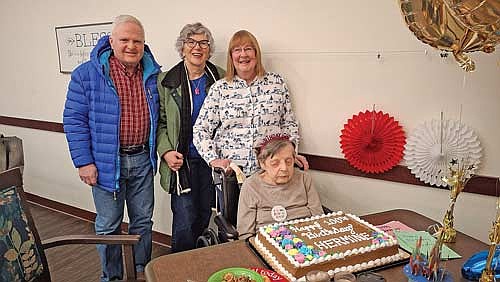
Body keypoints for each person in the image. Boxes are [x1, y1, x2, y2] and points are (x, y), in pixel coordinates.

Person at [63, 15, 160, 281]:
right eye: (125, 40)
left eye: (137, 40)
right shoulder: (87, 74)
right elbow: (74, 120)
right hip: (107, 163)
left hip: (142, 160)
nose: (131, 46)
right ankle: (113, 277)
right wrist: (84, 162)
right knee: (108, 226)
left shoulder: (153, 74)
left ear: (144, 43)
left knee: (143, 222)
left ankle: (140, 272)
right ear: (111, 41)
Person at [193, 30, 309, 177]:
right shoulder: (220, 89)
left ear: (256, 53)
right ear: (231, 56)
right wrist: (213, 159)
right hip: (232, 174)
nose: (243, 54)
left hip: (270, 174)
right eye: (237, 50)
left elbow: (289, 124)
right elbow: (200, 129)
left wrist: (290, 153)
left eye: (248, 49)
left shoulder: (276, 83)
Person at [156, 23, 225, 252]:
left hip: (211, 162)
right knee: (185, 220)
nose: (197, 47)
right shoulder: (166, 81)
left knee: (206, 216)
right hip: (181, 163)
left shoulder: (221, 79)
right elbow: (160, 123)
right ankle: (179, 268)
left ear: (209, 49)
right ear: (182, 47)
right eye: (191, 42)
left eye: (203, 43)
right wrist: (165, 152)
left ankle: (199, 266)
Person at [236, 134, 323, 239]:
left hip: (306, 239)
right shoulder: (251, 186)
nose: (284, 168)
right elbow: (245, 234)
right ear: (262, 164)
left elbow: (319, 219)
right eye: (275, 163)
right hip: (267, 243)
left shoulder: (304, 179)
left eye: (288, 161)